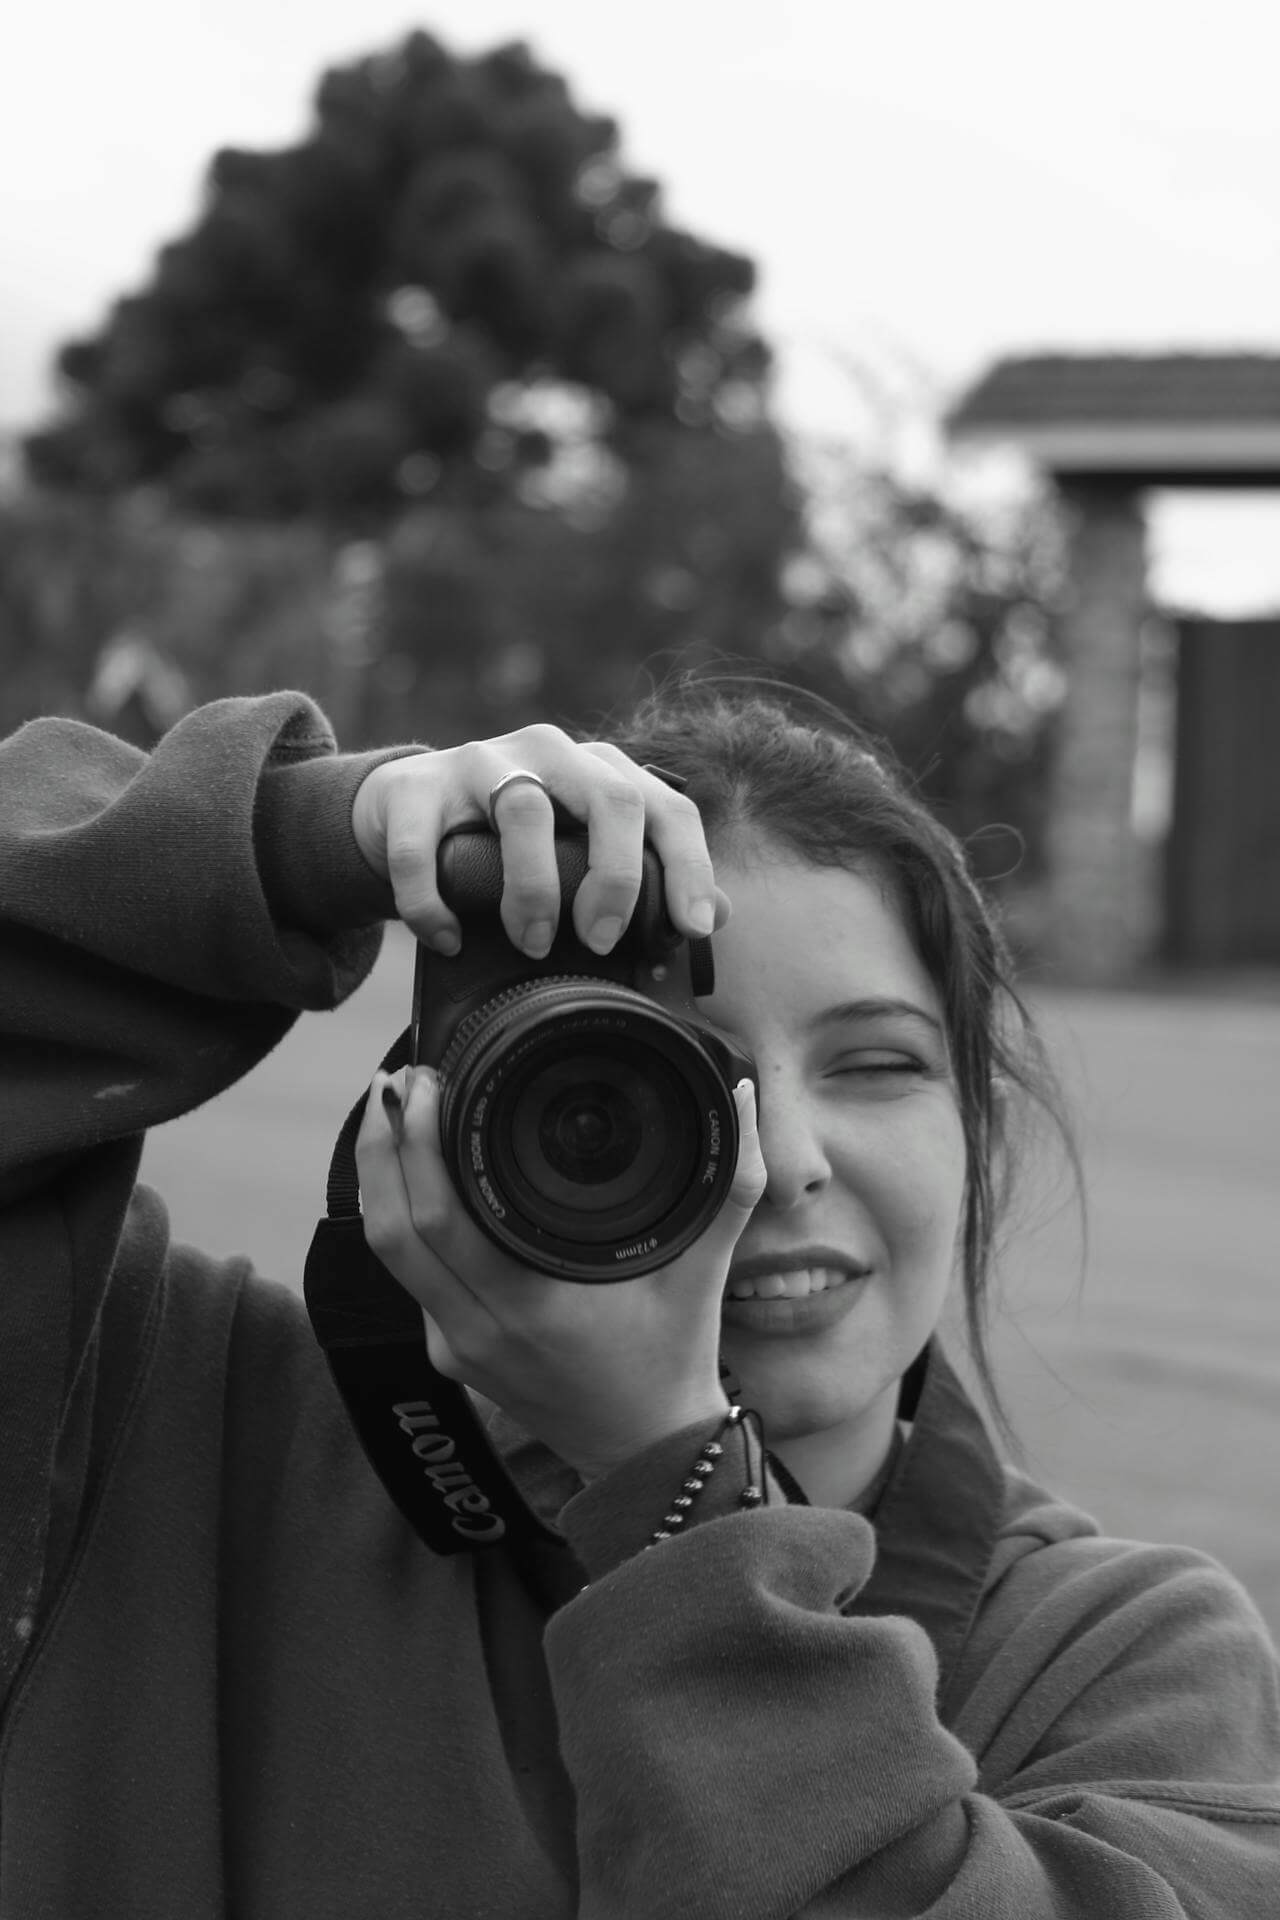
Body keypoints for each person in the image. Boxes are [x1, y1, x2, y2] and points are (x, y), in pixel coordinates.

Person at [1, 676, 1276, 1920]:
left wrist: (668, 1479)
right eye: (666, 1077)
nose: (780, 1158)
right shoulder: (178, 1433)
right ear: (448, 1110)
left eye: (877, 1062)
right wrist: (300, 838)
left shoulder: (1121, 1661)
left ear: (972, 1130)